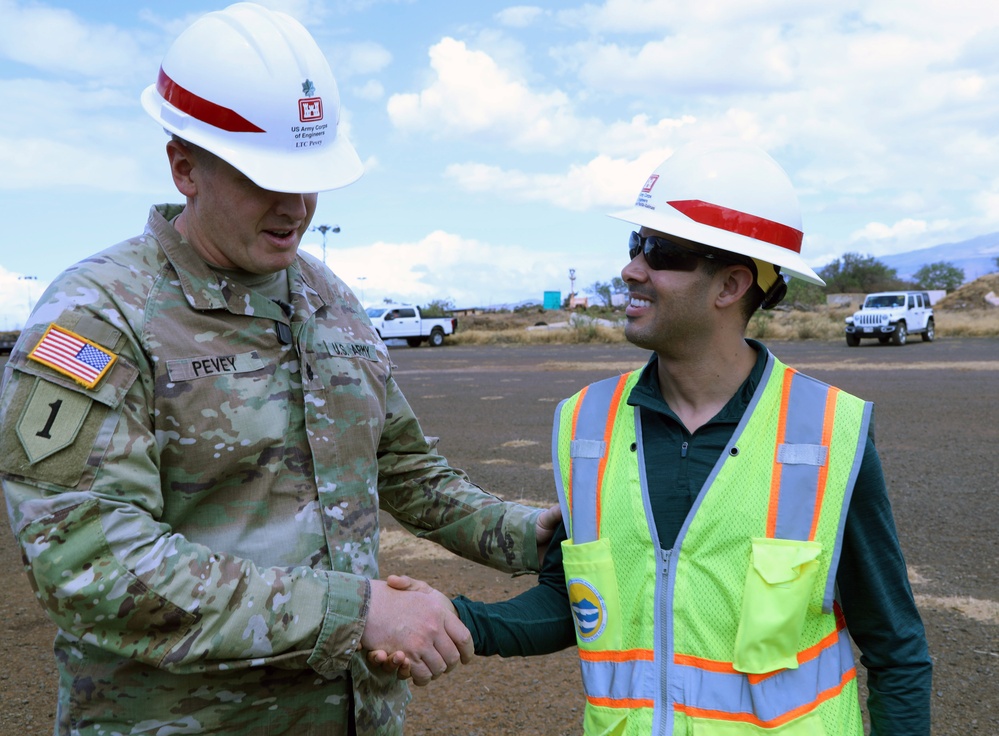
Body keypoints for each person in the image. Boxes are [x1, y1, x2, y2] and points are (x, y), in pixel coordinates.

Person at [0, 4, 558, 735]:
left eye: (311, 177)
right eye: (266, 177)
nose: (295, 206)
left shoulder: (329, 298)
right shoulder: (99, 316)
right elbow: (88, 561)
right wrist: (353, 611)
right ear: (184, 167)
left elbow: (403, 471)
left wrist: (528, 535)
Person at [375, 139, 933, 734]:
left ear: (731, 285)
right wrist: (455, 619)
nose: (631, 268)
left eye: (661, 251)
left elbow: (896, 651)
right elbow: (574, 605)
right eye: (635, 244)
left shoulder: (830, 433)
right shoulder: (585, 422)